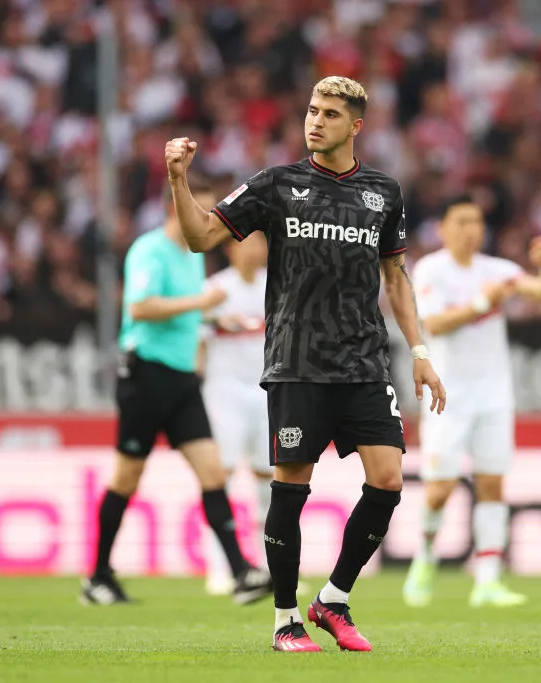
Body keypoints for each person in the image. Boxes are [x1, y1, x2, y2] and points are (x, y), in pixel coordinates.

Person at [163, 76, 446, 653]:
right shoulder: (276, 184)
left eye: (330, 114)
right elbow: (200, 238)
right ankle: (285, 620)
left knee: (388, 480)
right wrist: (178, 180)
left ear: (356, 125)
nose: (315, 121)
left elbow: (395, 276)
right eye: (313, 111)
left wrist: (419, 351)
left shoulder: (383, 192)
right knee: (290, 489)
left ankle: (333, 599)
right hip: (297, 363)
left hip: (364, 361)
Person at [81, 176, 274, 607]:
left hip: (183, 381)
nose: (206, 219)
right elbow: (140, 307)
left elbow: (184, 312)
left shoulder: (191, 255)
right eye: (200, 211)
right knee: (126, 478)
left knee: (213, 473)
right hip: (146, 376)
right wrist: (202, 305)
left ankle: (240, 573)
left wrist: (215, 321)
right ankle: (97, 576)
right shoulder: (150, 250)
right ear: (176, 209)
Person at [402, 196, 541, 608]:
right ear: (443, 228)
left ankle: (487, 580)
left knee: (492, 483)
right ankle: (425, 556)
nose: (470, 229)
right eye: (461, 221)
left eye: (475, 221)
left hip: (494, 394)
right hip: (447, 396)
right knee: (440, 489)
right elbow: (435, 323)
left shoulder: (497, 270)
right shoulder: (432, 269)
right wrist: (481, 303)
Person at [200, 233, 310, 599]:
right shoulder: (215, 289)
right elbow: (198, 340)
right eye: (247, 242)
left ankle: (272, 569)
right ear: (230, 248)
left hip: (269, 394)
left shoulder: (278, 285)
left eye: (261, 243)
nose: (255, 250)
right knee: (222, 478)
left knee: (270, 482)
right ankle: (222, 568)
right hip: (224, 395)